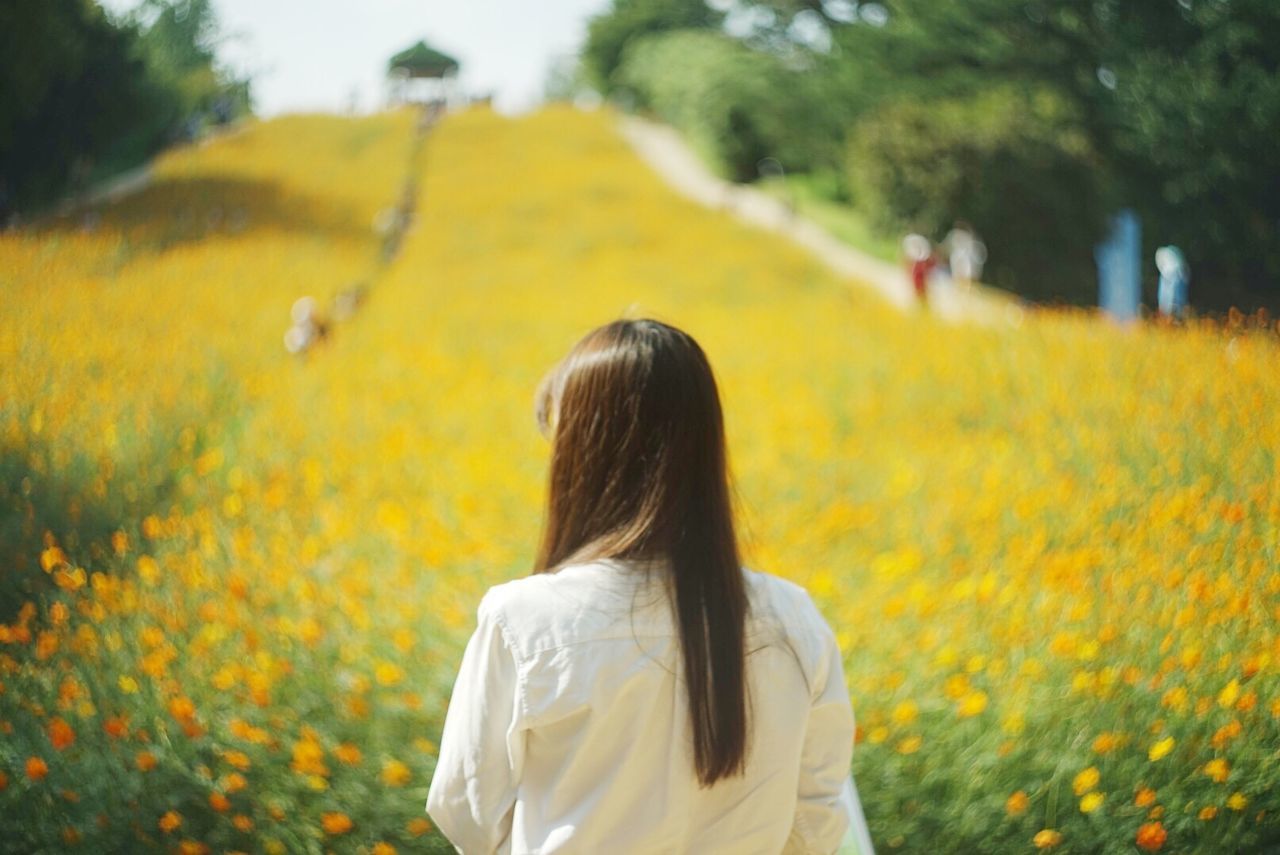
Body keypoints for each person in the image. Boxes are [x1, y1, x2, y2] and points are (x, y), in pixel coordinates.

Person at [426, 319, 872, 854]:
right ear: (707, 449)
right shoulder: (796, 621)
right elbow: (817, 822)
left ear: (579, 460)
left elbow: (468, 813)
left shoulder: (522, 622)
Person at [941, 221, 986, 291]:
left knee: (964, 277)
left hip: (962, 258)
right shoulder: (961, 236)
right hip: (961, 258)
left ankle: (965, 290)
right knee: (962, 277)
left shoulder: (962, 236)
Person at [1155, 245, 1190, 320]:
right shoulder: (1173, 273)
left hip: (1173, 308)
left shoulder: (1170, 273)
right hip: (1174, 308)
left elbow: (1168, 295)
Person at [903, 233, 934, 305]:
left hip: (921, 278)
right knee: (917, 293)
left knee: (923, 293)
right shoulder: (913, 256)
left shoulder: (923, 258)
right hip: (916, 278)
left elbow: (927, 269)